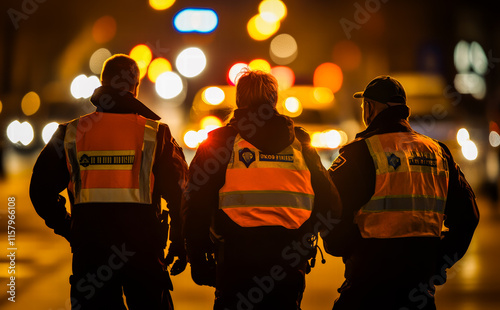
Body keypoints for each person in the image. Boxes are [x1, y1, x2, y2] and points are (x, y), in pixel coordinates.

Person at [29, 54, 188, 310]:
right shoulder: (156, 134)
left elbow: (40, 191)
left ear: (103, 82)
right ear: (135, 87)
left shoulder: (69, 134)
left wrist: (70, 228)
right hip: (144, 254)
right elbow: (182, 193)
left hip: (91, 255)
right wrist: (181, 241)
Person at [182, 70, 342, 309]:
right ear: (274, 100)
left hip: (235, 261)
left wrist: (197, 257)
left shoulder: (219, 143)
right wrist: (311, 239)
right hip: (289, 261)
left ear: (239, 101)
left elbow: (195, 203)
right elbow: (330, 204)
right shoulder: (300, 143)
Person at [324, 75, 480, 310]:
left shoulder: (360, 153)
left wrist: (347, 249)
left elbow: (331, 210)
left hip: (368, 286)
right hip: (419, 288)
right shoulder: (438, 153)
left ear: (370, 108)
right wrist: (439, 261)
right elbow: (468, 217)